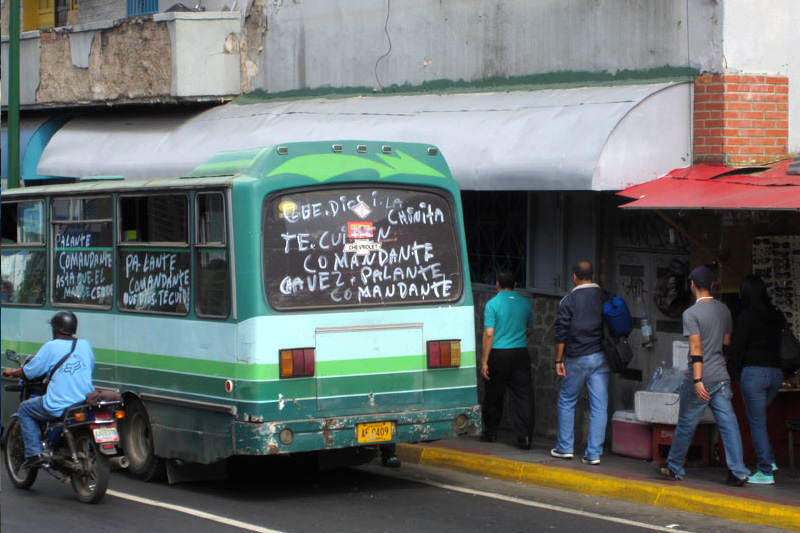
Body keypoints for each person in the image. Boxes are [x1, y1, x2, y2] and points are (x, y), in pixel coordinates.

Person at [659, 266, 750, 486]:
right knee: (729, 424)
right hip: (721, 375)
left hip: (701, 377)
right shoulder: (724, 310)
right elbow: (726, 342)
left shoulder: (691, 314)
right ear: (711, 286)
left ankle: (674, 467)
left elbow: (696, 348)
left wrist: (698, 380)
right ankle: (738, 471)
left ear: (692, 285)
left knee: (686, 423)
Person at [1, 310, 95, 468]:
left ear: (56, 329)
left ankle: (33, 454)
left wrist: (12, 372)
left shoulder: (51, 347)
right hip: (84, 400)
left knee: (25, 409)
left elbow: (30, 371)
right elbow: (89, 368)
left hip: (60, 403)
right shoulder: (84, 345)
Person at [551, 260, 608, 465]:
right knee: (599, 406)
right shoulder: (604, 296)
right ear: (592, 275)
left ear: (574, 276)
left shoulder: (569, 300)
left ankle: (565, 448)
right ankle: (594, 454)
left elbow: (561, 333)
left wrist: (558, 359)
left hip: (577, 358)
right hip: (601, 357)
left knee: (567, 400)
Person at [729, 275, 783, 485]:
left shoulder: (746, 317)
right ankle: (770, 460)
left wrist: (732, 372)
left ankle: (765, 470)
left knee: (757, 423)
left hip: (754, 374)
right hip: (776, 374)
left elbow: (737, 349)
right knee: (760, 419)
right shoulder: (776, 315)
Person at [480, 269, 534, 449]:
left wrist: (485, 361)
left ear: (497, 284)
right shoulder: (525, 303)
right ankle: (524, 436)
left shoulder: (492, 304)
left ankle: (491, 432)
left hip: (499, 353)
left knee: (494, 395)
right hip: (520, 353)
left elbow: (489, 334)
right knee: (523, 396)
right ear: (515, 285)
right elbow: (529, 329)